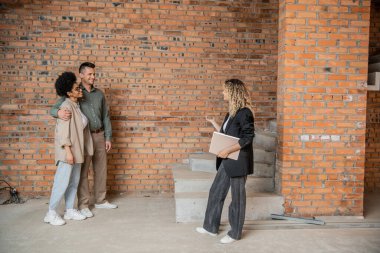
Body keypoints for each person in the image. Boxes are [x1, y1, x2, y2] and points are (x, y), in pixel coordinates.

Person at [50, 62, 117, 219]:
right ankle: (83, 205)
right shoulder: (75, 91)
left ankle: (100, 200)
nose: (93, 77)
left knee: (101, 169)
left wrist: (108, 137)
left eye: (94, 74)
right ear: (81, 75)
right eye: (90, 74)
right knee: (82, 172)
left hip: (99, 135)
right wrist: (59, 112)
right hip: (83, 137)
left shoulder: (99, 94)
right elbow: (54, 109)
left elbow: (106, 116)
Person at [196, 79, 255, 244]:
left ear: (233, 92)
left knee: (237, 199)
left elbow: (247, 138)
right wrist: (213, 122)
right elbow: (225, 134)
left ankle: (235, 233)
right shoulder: (230, 113)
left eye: (224, 90)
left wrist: (227, 150)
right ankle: (210, 227)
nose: (222, 93)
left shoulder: (245, 112)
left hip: (238, 161)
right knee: (216, 192)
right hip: (226, 160)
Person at [44, 72, 93, 226]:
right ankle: (51, 213)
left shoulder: (76, 105)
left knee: (73, 182)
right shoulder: (65, 106)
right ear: (68, 92)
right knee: (62, 182)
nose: (80, 90)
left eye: (79, 87)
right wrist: (68, 152)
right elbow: (63, 132)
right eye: (77, 88)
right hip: (68, 152)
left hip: (77, 151)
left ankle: (70, 210)